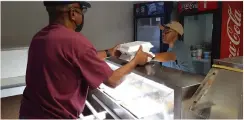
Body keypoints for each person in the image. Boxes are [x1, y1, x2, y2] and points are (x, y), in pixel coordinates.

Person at [19, 1, 152, 119]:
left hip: (28, 113)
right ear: (73, 13)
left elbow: (72, 57)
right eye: (82, 11)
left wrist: (109, 52)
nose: (82, 16)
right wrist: (135, 61)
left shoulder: (39, 37)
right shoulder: (75, 40)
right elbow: (113, 80)